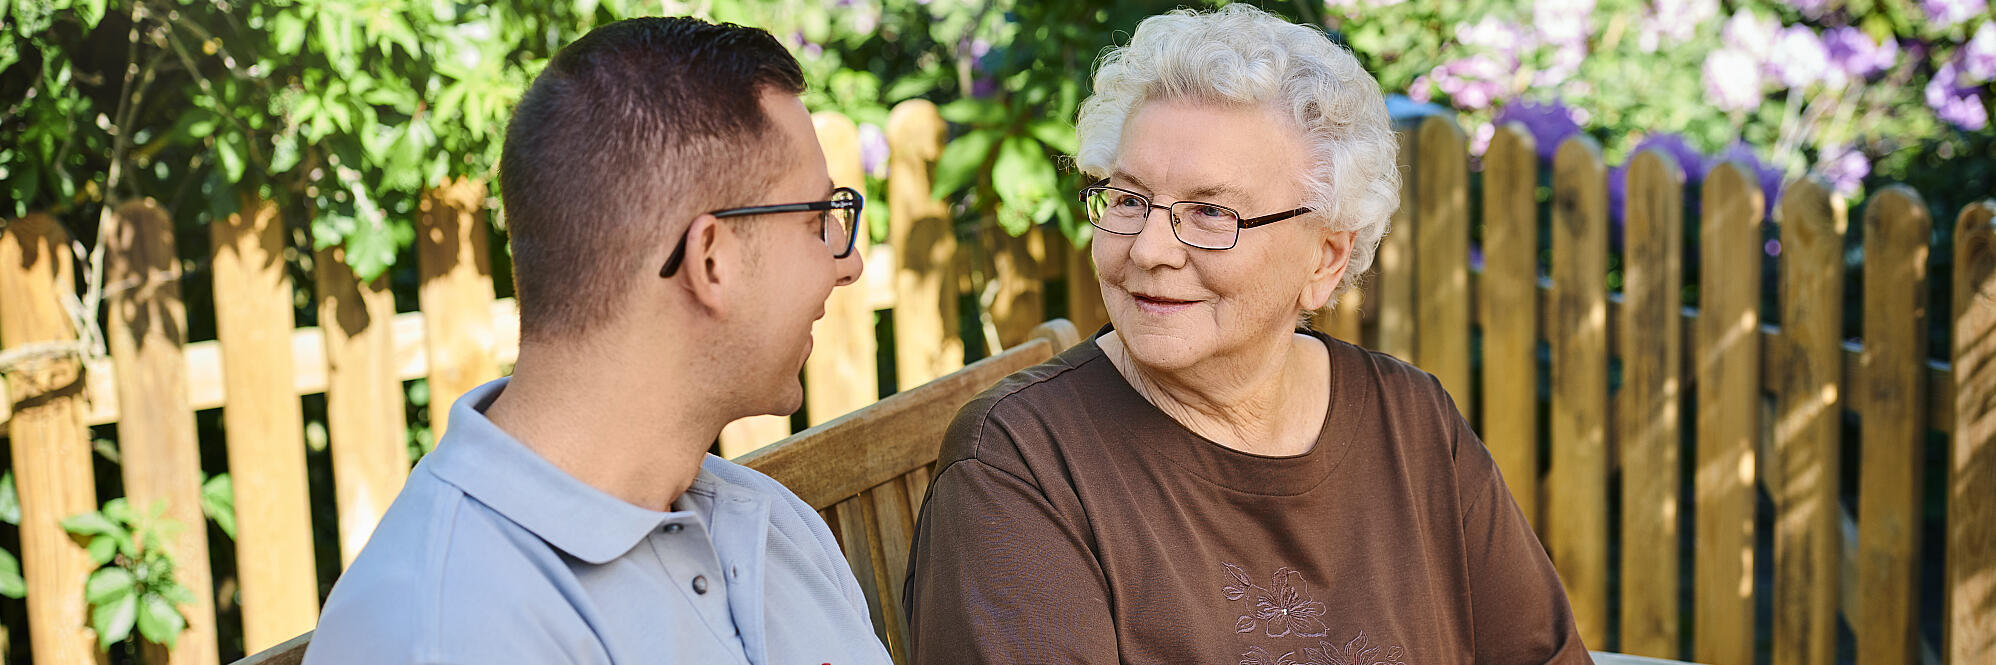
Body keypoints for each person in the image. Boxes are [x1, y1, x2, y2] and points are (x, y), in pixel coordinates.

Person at [903, 5, 1592, 664]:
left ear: (1325, 258)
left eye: (1210, 212)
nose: (1149, 249)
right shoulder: (1020, 466)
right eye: (1130, 199)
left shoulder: (1411, 421)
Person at [305, 16, 890, 665]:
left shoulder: (770, 523)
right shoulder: (444, 632)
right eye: (818, 220)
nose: (847, 262)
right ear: (711, 260)